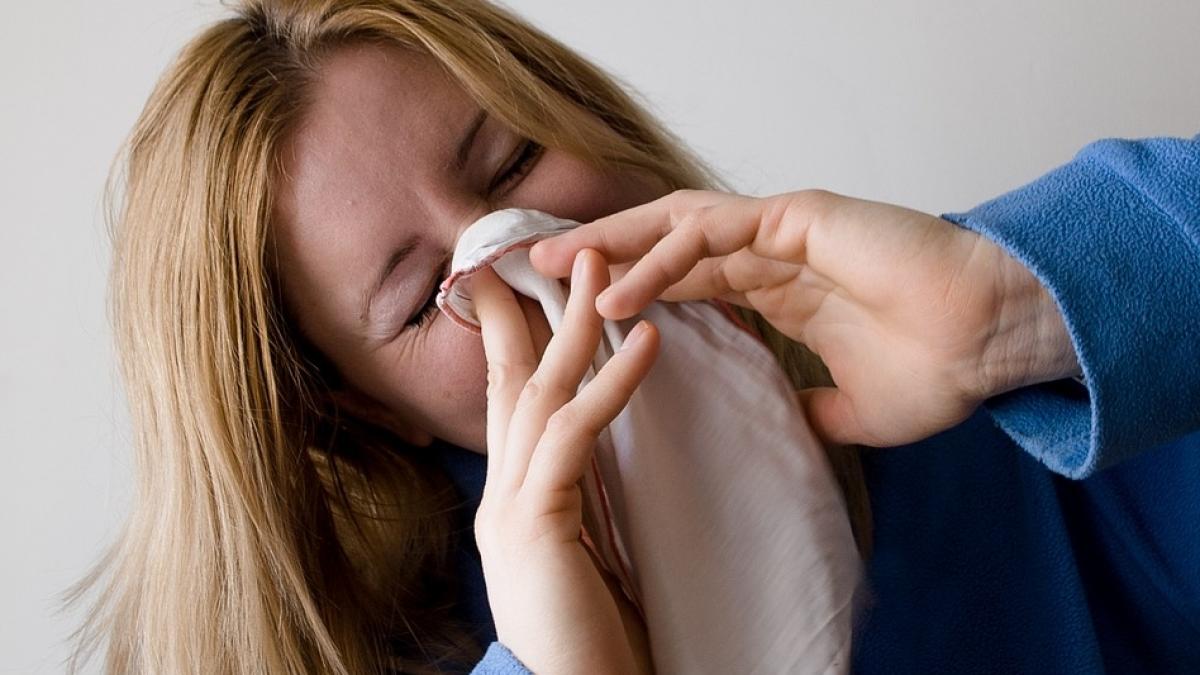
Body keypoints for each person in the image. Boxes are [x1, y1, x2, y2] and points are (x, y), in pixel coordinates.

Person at [72, 0, 1199, 672]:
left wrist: (1010, 306)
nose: (533, 251)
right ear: (361, 405)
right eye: (426, 296)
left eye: (512, 166)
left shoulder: (1011, 388)